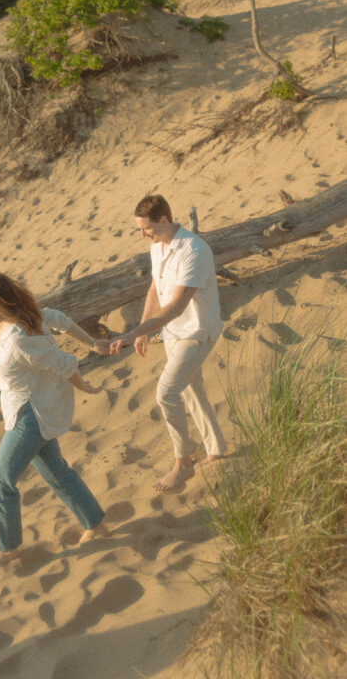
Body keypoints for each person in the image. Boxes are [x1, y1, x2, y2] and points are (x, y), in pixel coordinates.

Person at [0, 270, 109, 566]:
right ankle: (95, 524)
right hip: (22, 407)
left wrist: (86, 385)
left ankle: (7, 548)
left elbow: (64, 364)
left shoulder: (18, 338)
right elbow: (57, 318)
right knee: (55, 471)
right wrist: (90, 342)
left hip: (32, 414)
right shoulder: (8, 323)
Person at [109, 194, 226, 492]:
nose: (142, 235)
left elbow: (176, 306)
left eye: (146, 228)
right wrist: (143, 329)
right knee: (189, 389)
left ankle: (183, 463)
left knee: (166, 393)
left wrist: (133, 334)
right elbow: (155, 288)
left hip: (197, 331)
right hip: (172, 332)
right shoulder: (157, 246)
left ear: (164, 220)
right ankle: (216, 450)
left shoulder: (193, 250)